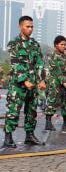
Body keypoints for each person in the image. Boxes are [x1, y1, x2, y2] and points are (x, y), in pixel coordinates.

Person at [3, 16, 46, 148]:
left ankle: (30, 136)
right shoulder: (13, 43)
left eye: (32, 26)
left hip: (32, 85)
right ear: (20, 26)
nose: (30, 29)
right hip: (18, 86)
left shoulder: (34, 44)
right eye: (28, 26)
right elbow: (15, 64)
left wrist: (42, 80)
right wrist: (24, 80)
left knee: (31, 111)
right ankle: (8, 138)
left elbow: (39, 63)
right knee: (13, 111)